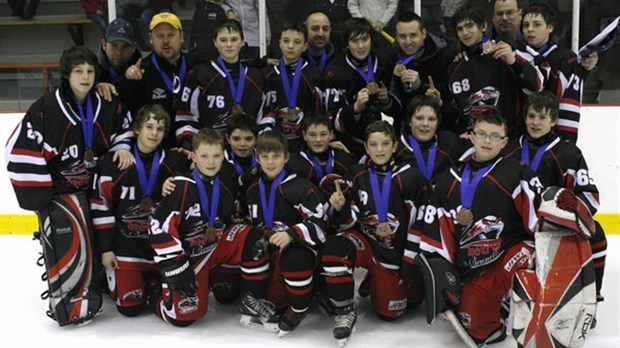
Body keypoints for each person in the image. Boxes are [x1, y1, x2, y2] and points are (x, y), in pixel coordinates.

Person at [5, 45, 134, 325]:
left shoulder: (107, 102)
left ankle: (100, 284)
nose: (85, 77)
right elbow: (18, 150)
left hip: (97, 190)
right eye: (79, 71)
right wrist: (44, 199)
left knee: (105, 237)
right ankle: (72, 296)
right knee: (73, 245)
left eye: (90, 71)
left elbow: (124, 128)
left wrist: (123, 147)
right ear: (67, 75)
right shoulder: (46, 109)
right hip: (64, 196)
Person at [414, 109, 542, 346]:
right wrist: (444, 275)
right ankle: (492, 301)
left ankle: (507, 292)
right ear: (471, 136)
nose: (486, 140)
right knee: (478, 329)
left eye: (495, 136)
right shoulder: (448, 181)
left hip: (510, 252)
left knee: (521, 260)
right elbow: (438, 232)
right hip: (472, 267)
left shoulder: (517, 173)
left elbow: (538, 221)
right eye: (481, 134)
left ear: (504, 142)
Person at [321, 120, 428, 346]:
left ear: (394, 146)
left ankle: (378, 276)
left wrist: (410, 261)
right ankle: (344, 311)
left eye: (385, 144)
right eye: (373, 144)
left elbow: (421, 222)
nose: (379, 149)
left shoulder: (411, 177)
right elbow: (351, 222)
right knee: (335, 246)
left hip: (396, 254)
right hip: (368, 243)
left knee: (391, 313)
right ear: (367, 148)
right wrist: (341, 209)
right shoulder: (357, 174)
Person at [504, 91, 607, 303]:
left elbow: (589, 195)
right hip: (514, 223)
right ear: (524, 118)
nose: (535, 122)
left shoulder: (569, 153)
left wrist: (569, 215)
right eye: (531, 116)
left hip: (555, 225)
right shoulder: (510, 148)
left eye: (542, 117)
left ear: (553, 121)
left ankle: (591, 295)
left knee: (597, 236)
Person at [148, 127, 252, 326]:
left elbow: (230, 213)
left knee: (253, 239)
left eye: (216, 156)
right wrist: (174, 262)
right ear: (194, 157)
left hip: (213, 248)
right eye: (204, 156)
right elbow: (157, 225)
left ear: (224, 156)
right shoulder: (179, 186)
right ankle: (153, 292)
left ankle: (243, 295)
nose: (211, 162)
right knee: (183, 319)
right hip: (188, 258)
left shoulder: (226, 185)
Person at [91, 104, 186, 317]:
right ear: (136, 129)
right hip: (126, 249)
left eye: (160, 129)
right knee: (130, 309)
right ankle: (111, 281)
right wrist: (106, 250)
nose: (154, 133)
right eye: (149, 126)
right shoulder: (112, 163)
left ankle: (152, 282)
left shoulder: (174, 162)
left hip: (159, 250)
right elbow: (101, 207)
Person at [237, 130, 329, 337]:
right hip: (271, 249)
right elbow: (254, 221)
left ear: (286, 157)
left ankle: (299, 307)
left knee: (294, 261)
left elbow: (321, 223)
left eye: (276, 156)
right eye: (265, 157)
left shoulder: (301, 187)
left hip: (298, 249)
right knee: (250, 246)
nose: (270, 162)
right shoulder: (253, 189)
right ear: (257, 158)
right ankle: (262, 298)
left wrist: (292, 234)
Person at [175, 19, 264, 148]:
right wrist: (192, 149)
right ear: (215, 42)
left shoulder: (255, 77)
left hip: (247, 152)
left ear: (242, 41)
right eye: (223, 40)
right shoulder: (199, 74)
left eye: (234, 39)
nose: (229, 45)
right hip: (211, 153)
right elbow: (186, 117)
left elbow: (265, 118)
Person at [325, 18, 400, 159]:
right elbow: (332, 121)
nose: (360, 46)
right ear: (346, 44)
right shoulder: (334, 71)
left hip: (385, 140)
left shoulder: (385, 60)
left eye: (365, 39)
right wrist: (355, 108)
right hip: (351, 144)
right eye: (354, 41)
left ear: (372, 40)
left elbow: (400, 109)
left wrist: (387, 101)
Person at [116, 12, 189, 149]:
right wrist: (126, 80)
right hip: (154, 149)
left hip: (189, 146)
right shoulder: (141, 70)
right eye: (160, 36)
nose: (166, 41)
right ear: (151, 38)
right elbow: (117, 99)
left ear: (182, 37)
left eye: (171, 35)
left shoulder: (195, 66)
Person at [445, 5, 521, 136]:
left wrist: (514, 62)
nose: (465, 32)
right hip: (470, 141)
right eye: (460, 29)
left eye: (469, 26)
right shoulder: (455, 66)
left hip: (506, 140)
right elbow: (457, 111)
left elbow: (532, 85)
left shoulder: (504, 52)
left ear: (483, 26)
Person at [513, 2, 582, 143]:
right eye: (525, 25)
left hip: (552, 138)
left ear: (550, 27)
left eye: (537, 24)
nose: (530, 30)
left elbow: (569, 100)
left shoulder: (565, 58)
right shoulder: (515, 55)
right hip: (518, 136)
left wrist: (566, 141)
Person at [260, 21, 324, 152]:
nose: (290, 46)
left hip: (306, 144)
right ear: (279, 43)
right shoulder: (267, 74)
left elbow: (319, 110)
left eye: (297, 42)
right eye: (286, 41)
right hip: (275, 144)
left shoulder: (314, 74)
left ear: (305, 46)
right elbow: (264, 110)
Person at [390, 11, 456, 131]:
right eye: (403, 36)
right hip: (405, 129)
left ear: (424, 34)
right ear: (396, 36)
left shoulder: (445, 56)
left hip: (439, 129)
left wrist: (420, 86)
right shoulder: (392, 56)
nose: (408, 41)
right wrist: (395, 81)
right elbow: (392, 109)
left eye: (413, 35)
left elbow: (450, 108)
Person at [395, 95, 468, 184]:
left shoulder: (450, 142)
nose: (425, 124)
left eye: (431, 119)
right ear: (409, 121)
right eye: (419, 118)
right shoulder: (396, 148)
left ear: (437, 123)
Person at [97, 18, 142, 84]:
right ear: (104, 45)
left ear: (134, 47)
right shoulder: (90, 70)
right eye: (114, 46)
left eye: (125, 46)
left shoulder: (143, 70)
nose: (119, 53)